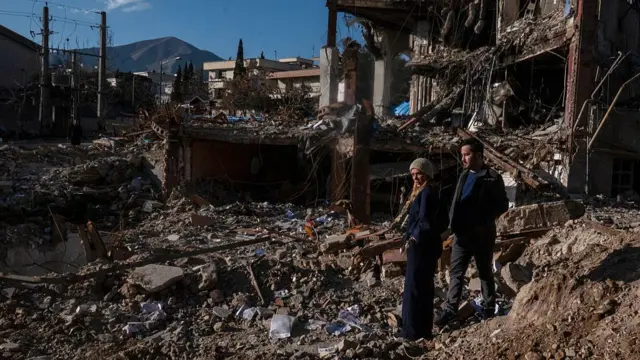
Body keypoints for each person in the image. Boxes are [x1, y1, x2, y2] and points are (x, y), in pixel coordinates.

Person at [435, 138, 509, 327]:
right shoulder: (464, 175)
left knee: (484, 272)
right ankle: (450, 310)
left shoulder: (493, 177)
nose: (463, 159)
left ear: (478, 155)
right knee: (456, 273)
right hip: (461, 235)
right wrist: (452, 226)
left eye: (467, 154)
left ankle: (488, 307)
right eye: (462, 155)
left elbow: (502, 205)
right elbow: (456, 202)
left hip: (482, 234)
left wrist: (482, 219)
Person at [401, 158, 448, 341]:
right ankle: (423, 330)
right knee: (423, 287)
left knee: (414, 289)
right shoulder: (426, 192)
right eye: (413, 174)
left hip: (421, 247)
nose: (415, 178)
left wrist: (413, 238)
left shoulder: (427, 193)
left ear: (427, 174)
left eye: (418, 174)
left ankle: (411, 332)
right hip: (425, 246)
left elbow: (424, 220)